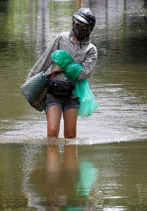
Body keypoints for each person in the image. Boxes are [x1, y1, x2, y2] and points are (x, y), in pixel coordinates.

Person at [27, 8, 97, 139]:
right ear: (73, 23)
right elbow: (46, 59)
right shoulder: (61, 38)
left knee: (70, 137)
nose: (79, 27)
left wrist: (63, 65)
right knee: (52, 133)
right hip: (53, 92)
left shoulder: (91, 50)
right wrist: (30, 78)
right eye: (77, 24)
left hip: (73, 95)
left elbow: (84, 74)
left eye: (84, 26)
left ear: (89, 28)